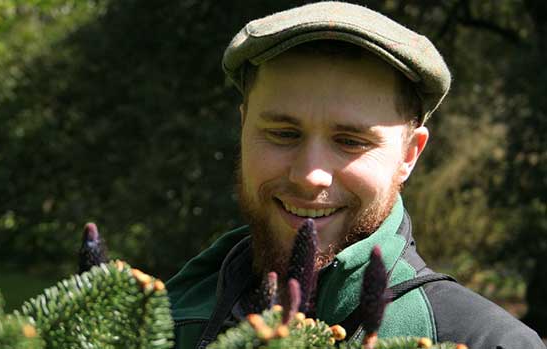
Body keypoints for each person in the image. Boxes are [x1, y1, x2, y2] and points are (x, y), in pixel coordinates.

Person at [165, 2, 546, 348]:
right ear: (244, 128)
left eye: (350, 141)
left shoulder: (483, 341)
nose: (310, 175)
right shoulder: (163, 322)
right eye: (283, 134)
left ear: (409, 155)